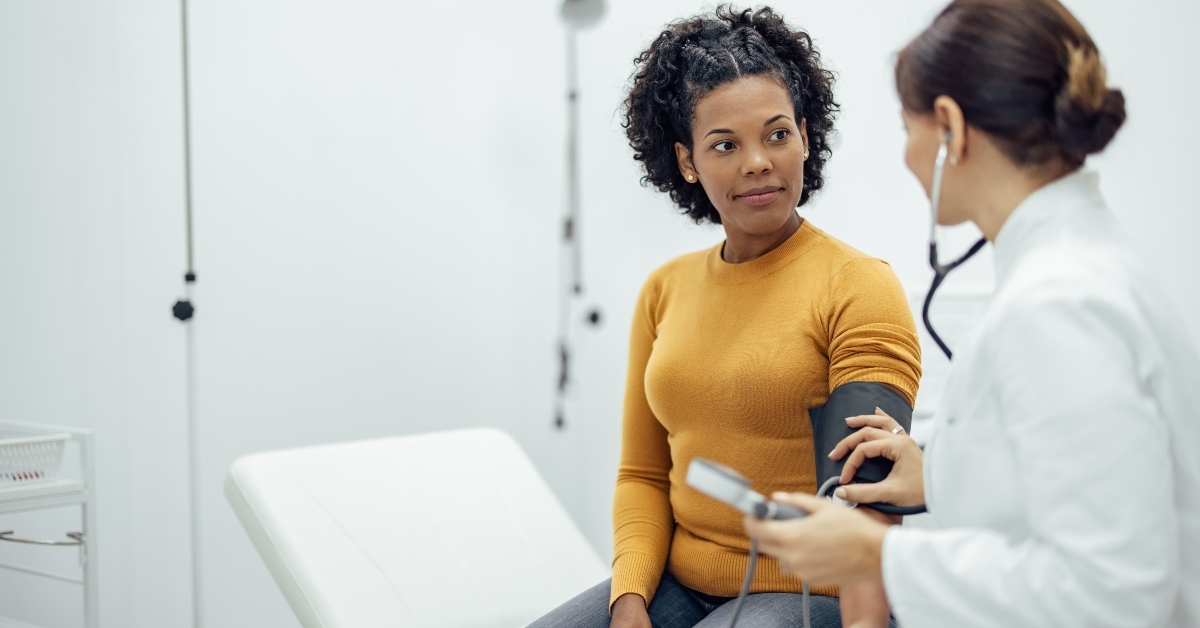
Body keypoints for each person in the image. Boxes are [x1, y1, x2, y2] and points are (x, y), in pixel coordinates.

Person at [744, 1, 1200, 626]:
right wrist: (941, 476)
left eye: (909, 130)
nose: (906, 157)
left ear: (950, 129)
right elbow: (1071, 484)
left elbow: (1113, 592)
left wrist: (879, 555)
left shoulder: (1060, 305)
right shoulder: (1078, 267)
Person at [531, 6, 922, 628]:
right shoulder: (665, 290)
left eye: (776, 135)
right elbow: (641, 472)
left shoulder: (859, 286)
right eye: (724, 145)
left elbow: (866, 503)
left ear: (805, 135)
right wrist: (629, 601)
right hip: (679, 584)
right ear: (688, 162)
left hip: (809, 594)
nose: (758, 163)